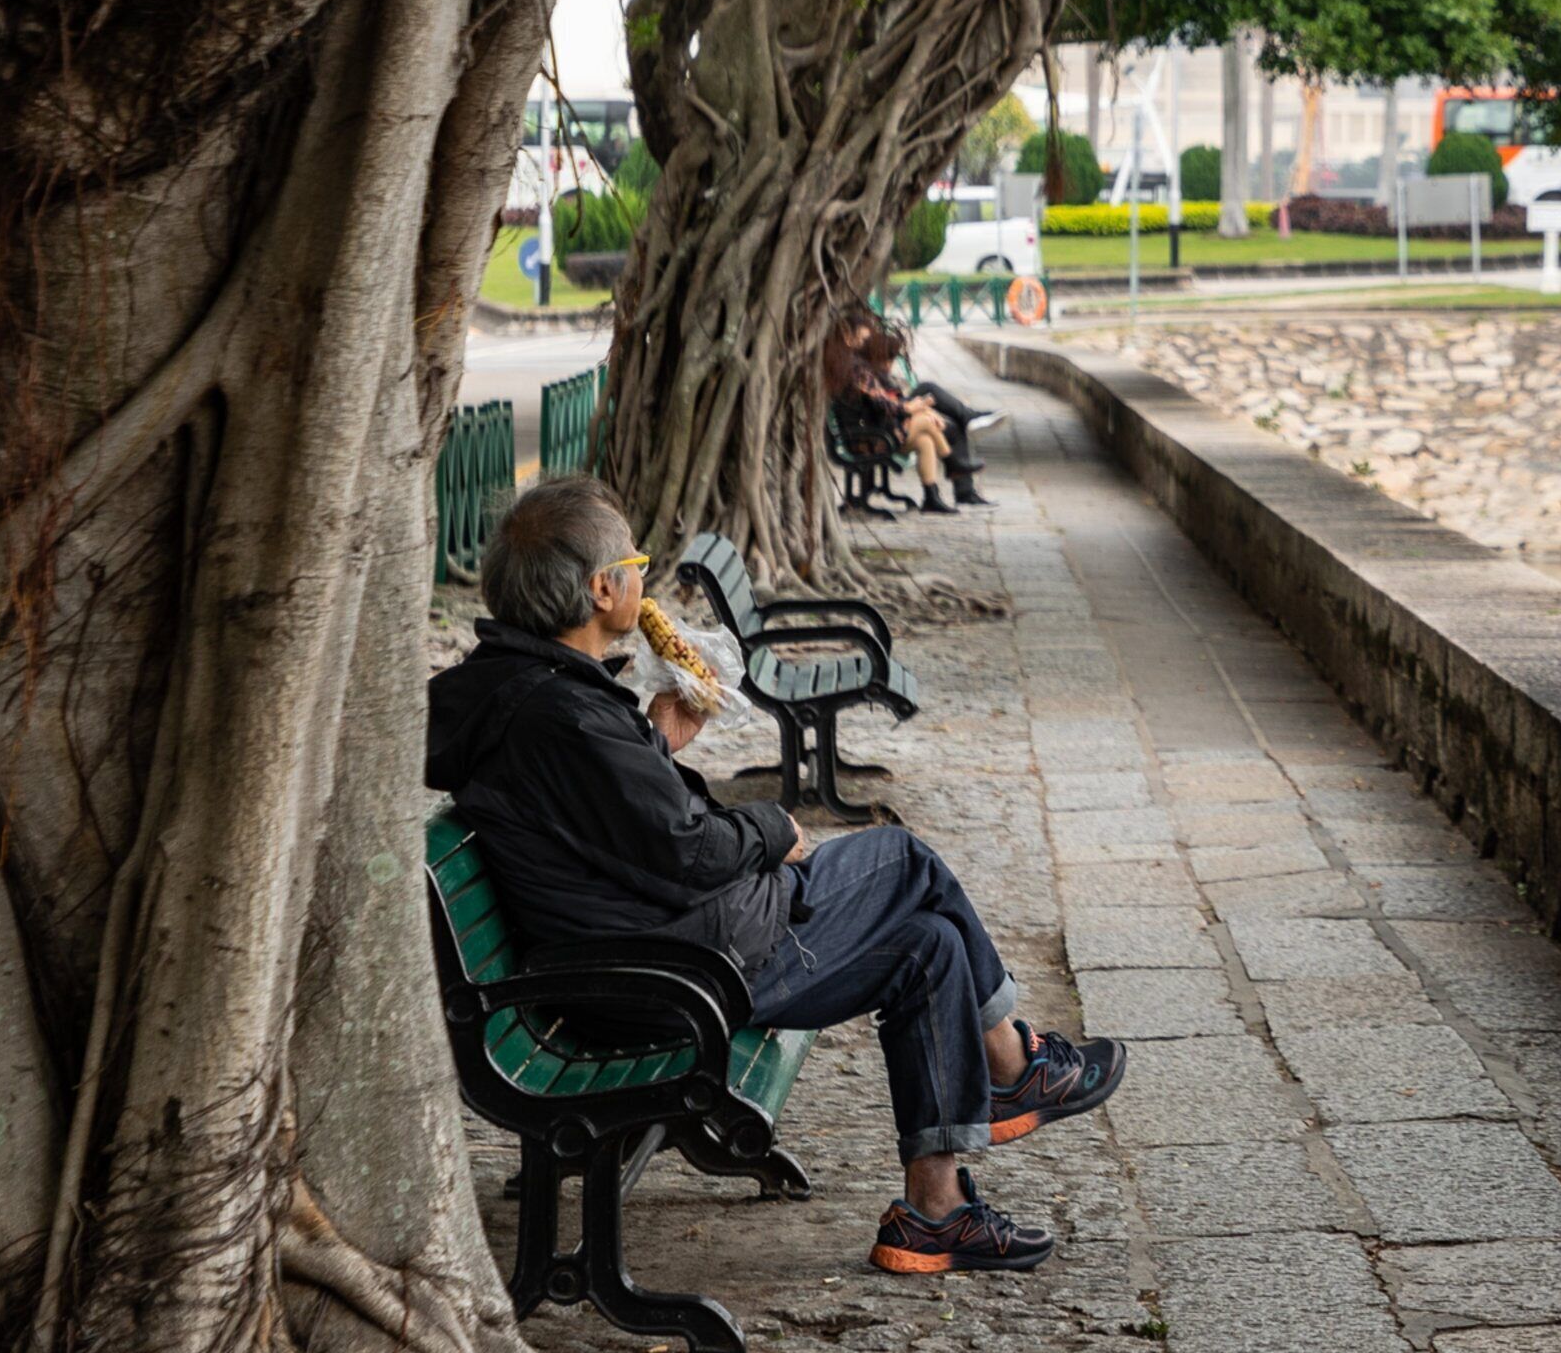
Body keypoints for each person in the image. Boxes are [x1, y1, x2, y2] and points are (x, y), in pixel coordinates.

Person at [426, 476, 1128, 1274]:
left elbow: (615, 833)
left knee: (928, 945)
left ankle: (934, 1214)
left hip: (648, 951)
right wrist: (774, 826)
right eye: (637, 562)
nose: (643, 578)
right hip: (677, 974)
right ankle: (1012, 1066)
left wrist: (656, 743)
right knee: (902, 860)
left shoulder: (523, 693)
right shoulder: (562, 715)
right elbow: (689, 852)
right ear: (602, 589)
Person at [823, 310, 968, 513]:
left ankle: (931, 497)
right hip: (864, 440)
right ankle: (952, 463)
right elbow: (883, 403)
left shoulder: (854, 364)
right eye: (864, 339)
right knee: (925, 421)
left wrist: (913, 408)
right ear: (848, 337)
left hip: (869, 434)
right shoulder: (854, 368)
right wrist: (910, 408)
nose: (869, 343)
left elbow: (883, 401)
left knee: (925, 440)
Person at [860, 322, 997, 507]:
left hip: (894, 421)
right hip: (885, 429)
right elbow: (882, 405)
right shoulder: (861, 372)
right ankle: (955, 458)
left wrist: (921, 407)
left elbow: (890, 400)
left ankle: (936, 496)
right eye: (887, 359)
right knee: (928, 393)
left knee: (949, 427)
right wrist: (916, 408)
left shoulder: (872, 372)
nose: (890, 364)